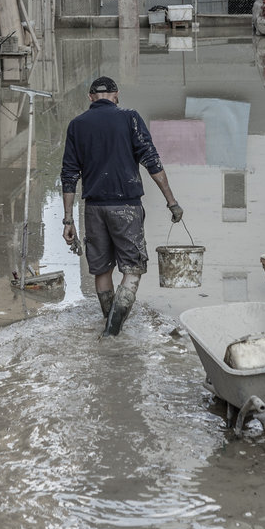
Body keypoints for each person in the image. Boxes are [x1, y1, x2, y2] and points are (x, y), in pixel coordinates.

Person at [61, 76, 182, 336]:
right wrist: (171, 201)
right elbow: (153, 162)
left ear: (91, 97)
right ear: (116, 95)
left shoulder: (77, 125)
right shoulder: (130, 118)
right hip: (126, 207)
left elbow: (69, 174)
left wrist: (68, 219)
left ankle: (110, 323)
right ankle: (113, 329)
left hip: (93, 209)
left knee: (102, 270)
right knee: (133, 269)